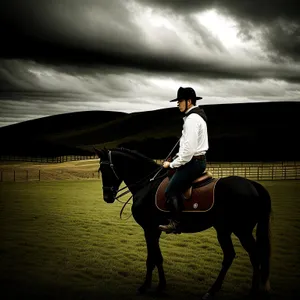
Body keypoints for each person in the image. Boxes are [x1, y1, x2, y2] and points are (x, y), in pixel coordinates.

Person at [158, 87, 209, 234]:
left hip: (193, 162)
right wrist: (177, 157)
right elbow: (186, 148)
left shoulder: (192, 119)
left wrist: (172, 164)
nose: (177, 104)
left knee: (170, 190)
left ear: (189, 101)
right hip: (195, 160)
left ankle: (175, 223)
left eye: (180, 101)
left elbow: (188, 152)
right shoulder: (195, 117)